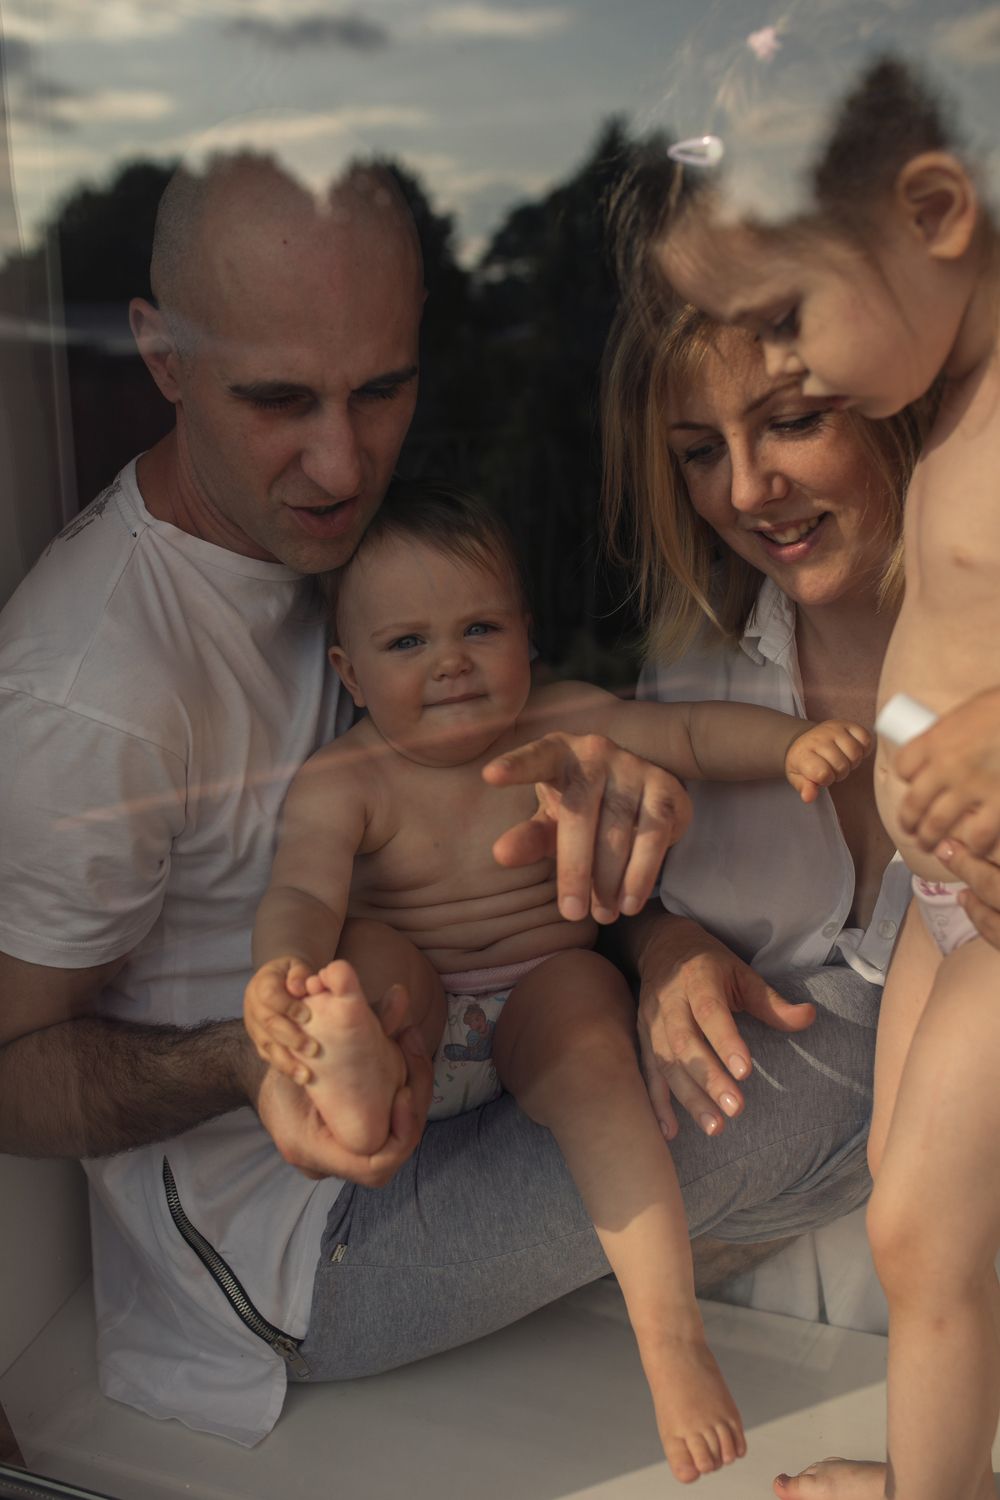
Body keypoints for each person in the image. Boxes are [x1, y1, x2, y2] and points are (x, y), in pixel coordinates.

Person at [0, 143, 947, 1453]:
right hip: (307, 1243)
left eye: (381, 390)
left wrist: (649, 923)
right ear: (161, 357)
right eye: (280, 400)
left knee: (714, 1040)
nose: (342, 464)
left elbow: (583, 770)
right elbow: (9, 1074)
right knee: (883, 1043)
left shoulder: (364, 553)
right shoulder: (88, 696)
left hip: (494, 1044)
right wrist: (252, 1054)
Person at [244, 479, 870, 1480]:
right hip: (420, 1010)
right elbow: (301, 894)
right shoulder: (347, 780)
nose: (450, 659)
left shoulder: (566, 719)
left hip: (538, 993)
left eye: (479, 628)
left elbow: (692, 735)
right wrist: (283, 971)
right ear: (348, 671)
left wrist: (791, 744)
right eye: (406, 643)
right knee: (361, 959)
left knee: (592, 1039)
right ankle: (356, 1084)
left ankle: (669, 1338)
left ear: (526, 634)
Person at [642, 40, 1000, 1500]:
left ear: (936, 216)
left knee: (919, 1226)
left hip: (990, 918)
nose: (790, 361)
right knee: (915, 1224)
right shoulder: (961, 412)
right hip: (942, 909)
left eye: (789, 322)